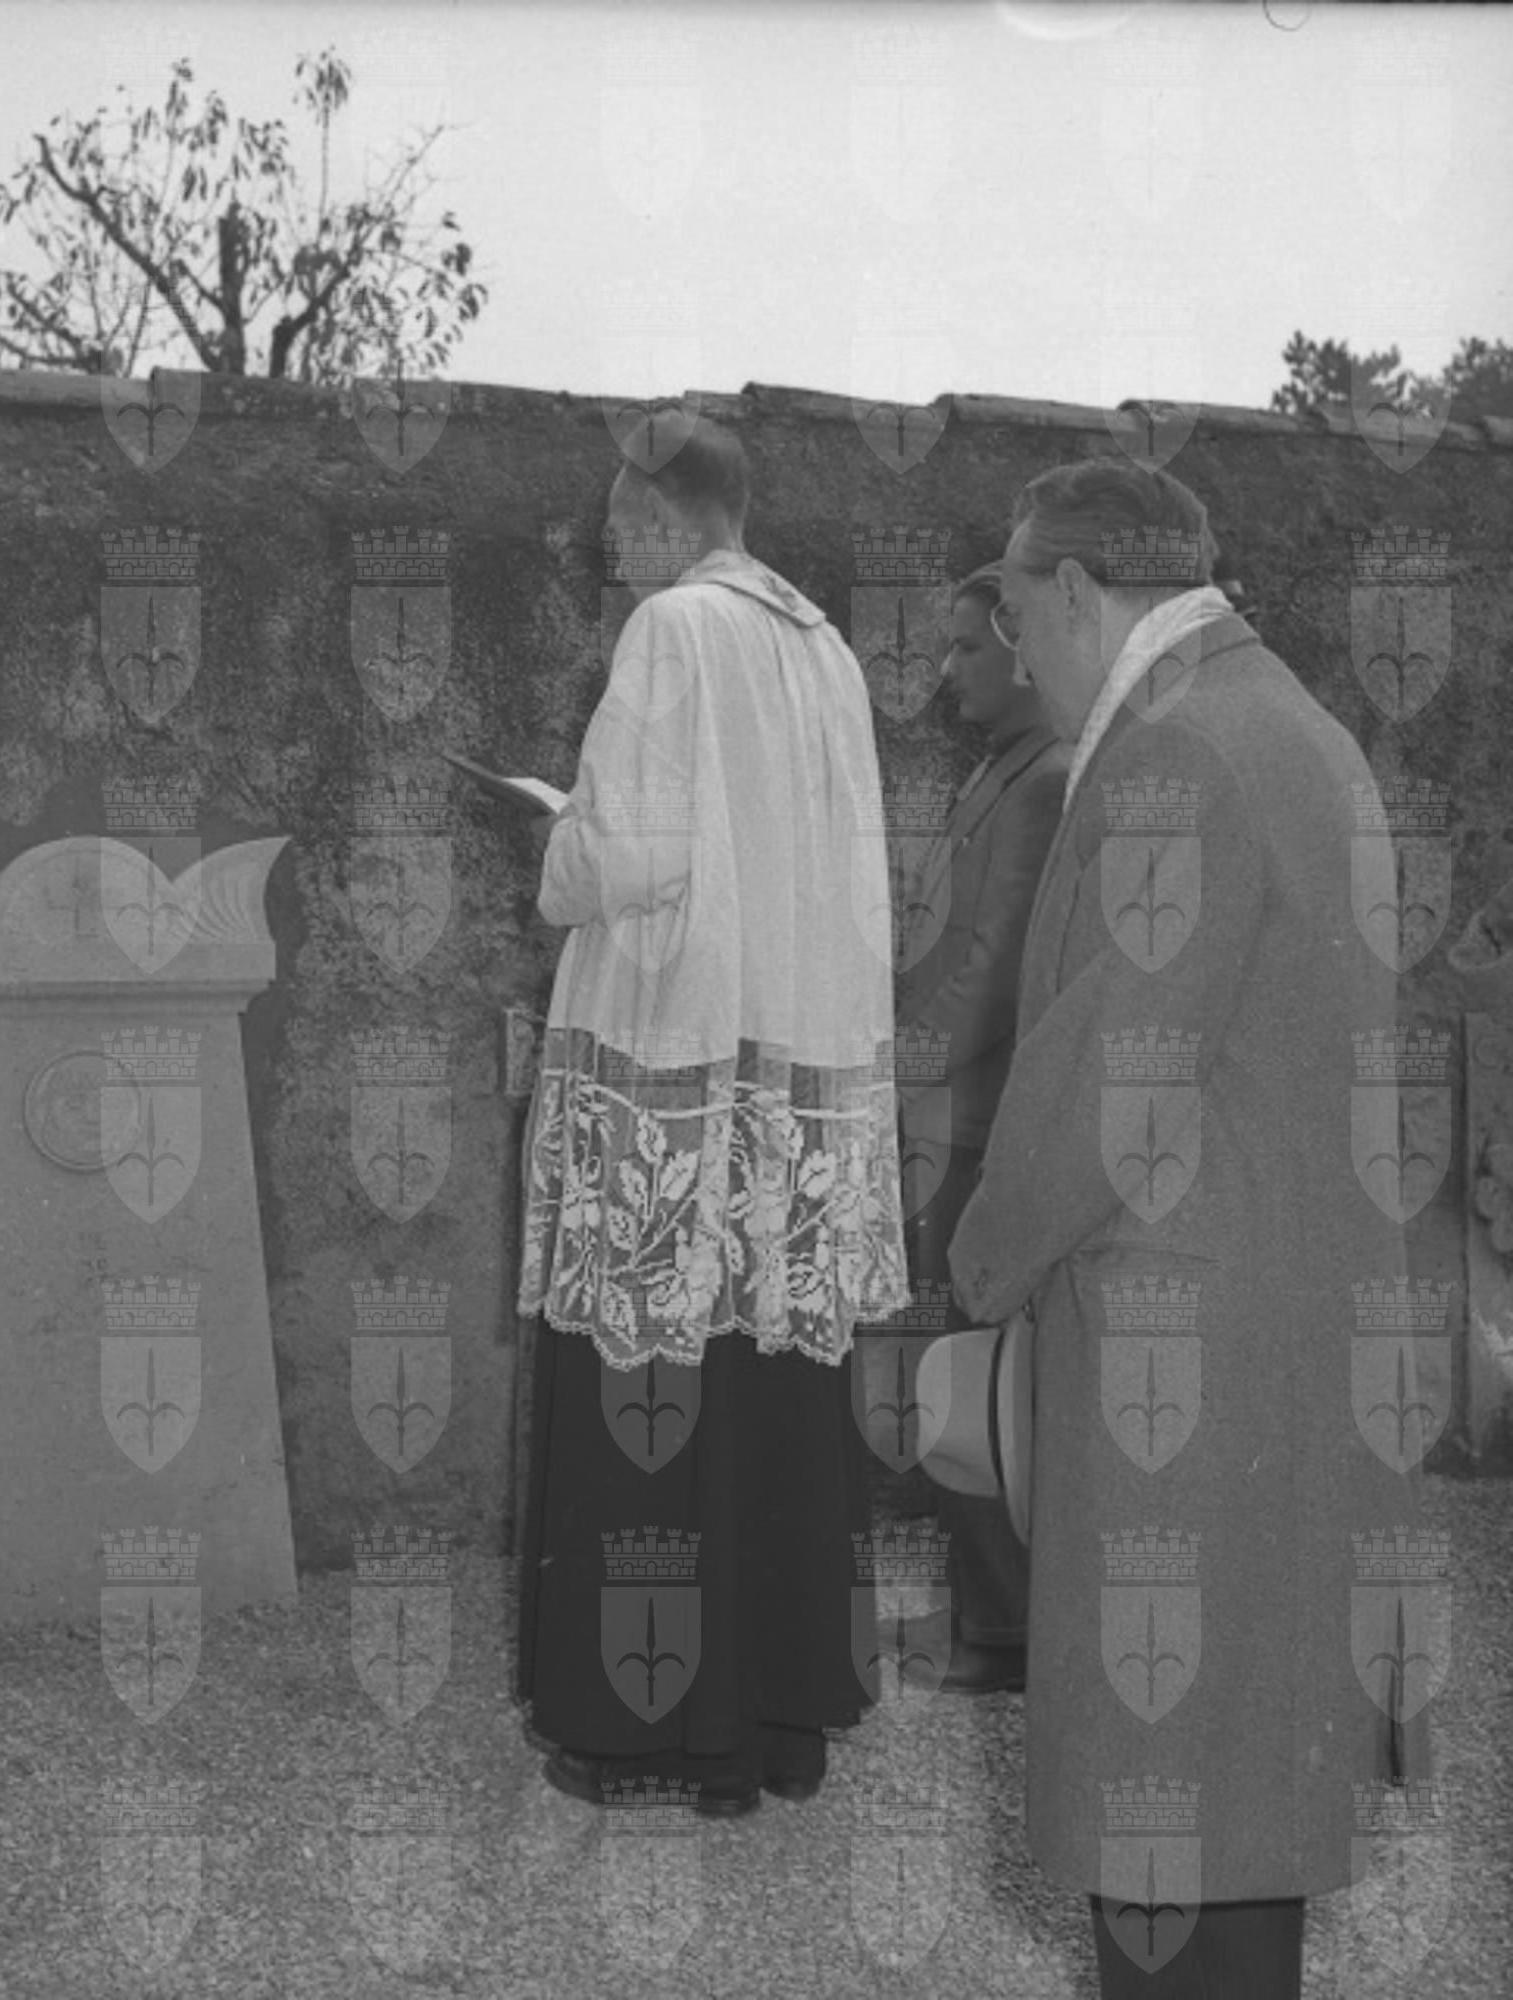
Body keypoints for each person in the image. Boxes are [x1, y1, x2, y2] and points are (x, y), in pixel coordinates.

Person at [947, 459, 1433, 1997]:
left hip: (1183, 1370)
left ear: (1074, 591)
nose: (1013, 652)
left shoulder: (1180, 752)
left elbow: (1113, 1073)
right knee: (1234, 1823)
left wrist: (976, 1265)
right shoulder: (1293, 725)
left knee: (1172, 1841)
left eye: (1014, 614)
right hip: (1278, 1339)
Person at [514, 406, 910, 1816]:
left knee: (652, 1396)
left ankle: (646, 1734)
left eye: (616, 515)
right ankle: (778, 1720)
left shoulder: (673, 628)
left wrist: (552, 838)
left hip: (677, 1062)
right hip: (788, 1074)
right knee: (769, 1391)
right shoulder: (824, 647)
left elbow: (622, 858)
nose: (605, 541)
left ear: (664, 511)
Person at [892, 562, 1069, 1695]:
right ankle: (988, 1610)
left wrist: (892, 1072)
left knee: (967, 1364)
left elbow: (993, 972)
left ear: (1023, 652)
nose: (946, 669)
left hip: (973, 1121)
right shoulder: (1005, 765)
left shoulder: (1043, 779)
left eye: (965, 648)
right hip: (946, 1113)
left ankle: (1004, 1630)